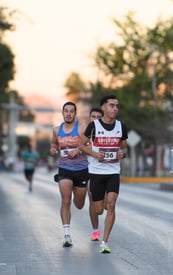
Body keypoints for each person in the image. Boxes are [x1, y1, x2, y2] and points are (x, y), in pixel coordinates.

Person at [80, 95, 128, 253]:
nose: (115, 108)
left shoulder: (121, 126)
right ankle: (98, 218)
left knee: (112, 204)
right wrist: (94, 154)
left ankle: (104, 242)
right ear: (104, 108)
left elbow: (124, 148)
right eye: (112, 105)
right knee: (99, 209)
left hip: (113, 171)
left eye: (117, 106)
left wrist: (122, 153)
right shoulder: (93, 126)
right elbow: (82, 145)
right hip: (96, 172)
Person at [49, 102, 88, 247]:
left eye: (71, 111)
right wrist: (53, 149)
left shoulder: (81, 128)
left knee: (78, 204)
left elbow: (89, 145)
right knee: (65, 201)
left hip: (81, 169)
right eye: (66, 111)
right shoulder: (56, 130)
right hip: (64, 169)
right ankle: (67, 235)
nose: (68, 114)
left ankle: (79, 199)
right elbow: (54, 144)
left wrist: (78, 150)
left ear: (75, 114)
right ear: (62, 113)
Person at [87, 108, 104, 242]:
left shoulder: (107, 134)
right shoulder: (86, 136)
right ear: (89, 118)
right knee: (92, 200)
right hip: (90, 172)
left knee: (103, 205)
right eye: (93, 116)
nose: (96, 119)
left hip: (107, 172)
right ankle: (95, 231)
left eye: (99, 117)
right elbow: (78, 147)